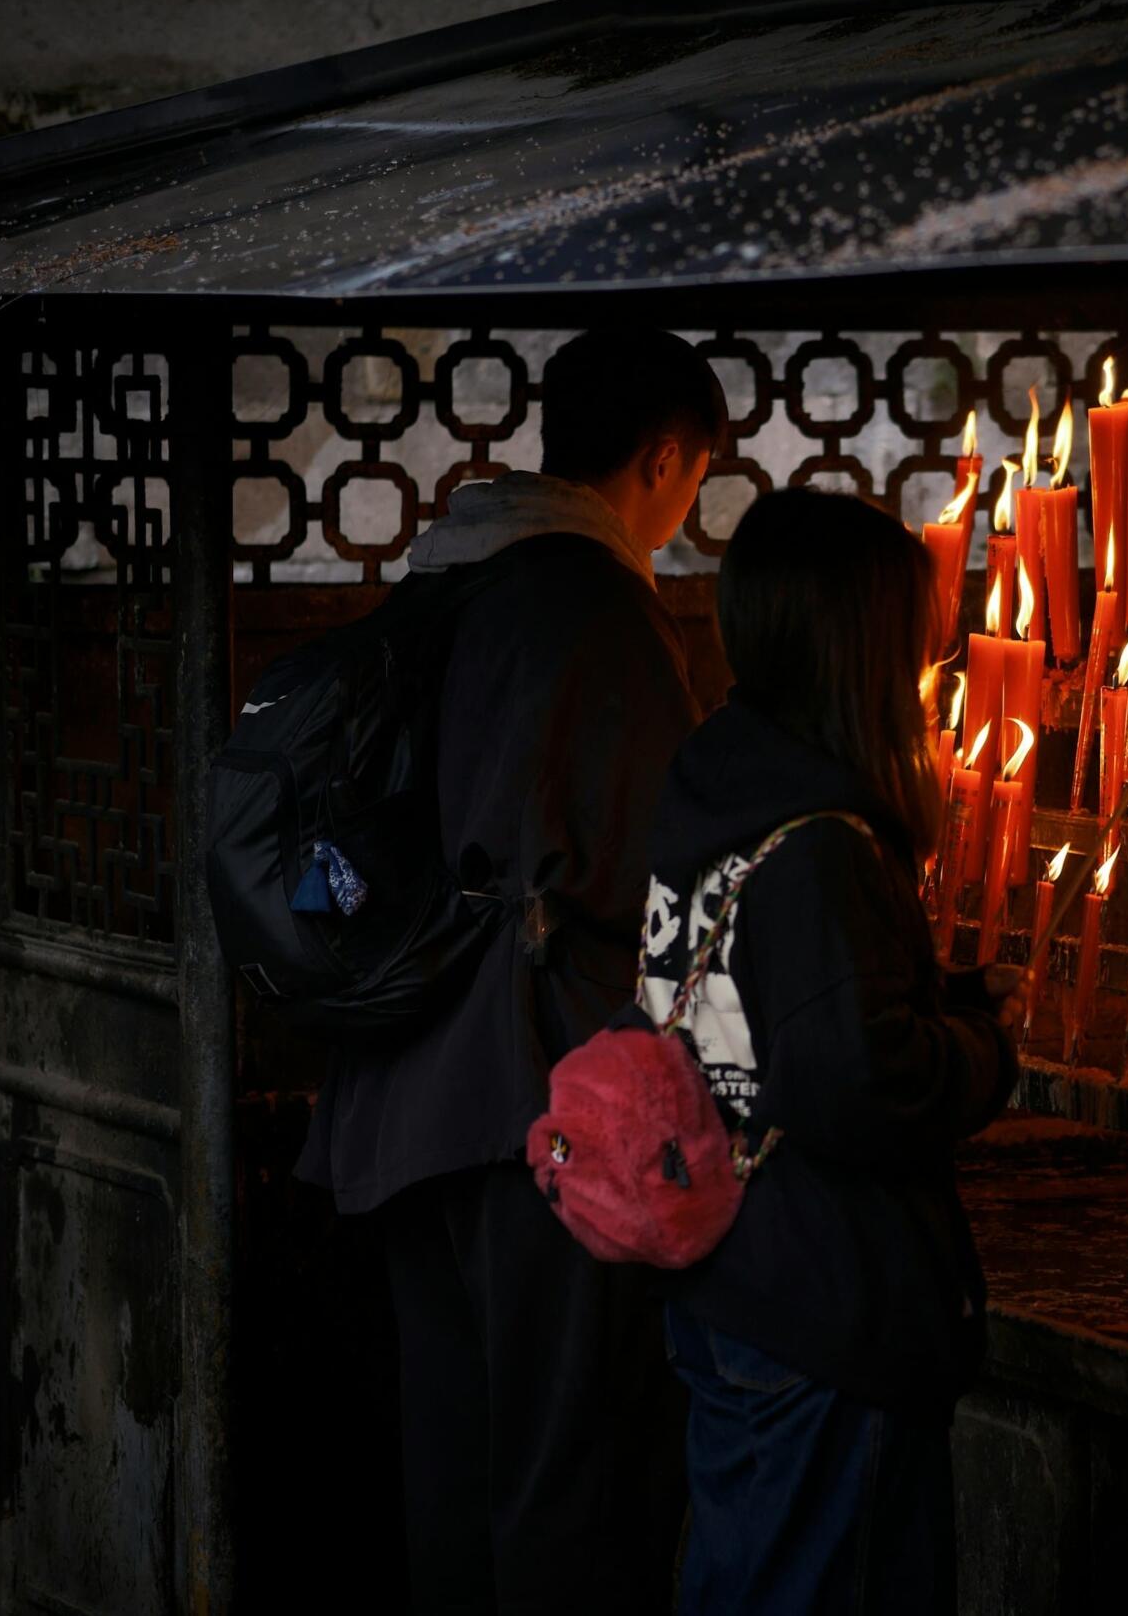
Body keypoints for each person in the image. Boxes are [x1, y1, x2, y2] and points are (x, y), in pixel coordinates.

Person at [292, 328, 723, 1613]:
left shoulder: (438, 587)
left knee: (459, 1463)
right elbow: (664, 870)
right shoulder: (594, 607)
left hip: (399, 1095)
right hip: (533, 1106)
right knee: (564, 1472)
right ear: (663, 457)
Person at [625, 486, 1023, 1615]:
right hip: (819, 1304)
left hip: (730, 1272)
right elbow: (856, 1082)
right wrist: (985, 1047)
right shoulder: (822, 842)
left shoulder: (719, 783)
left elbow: (762, 1002)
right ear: (864, 645)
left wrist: (924, 992)